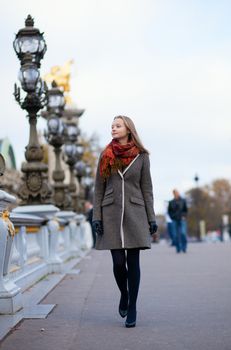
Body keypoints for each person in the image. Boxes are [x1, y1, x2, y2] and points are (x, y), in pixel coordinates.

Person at [92, 115, 158, 328]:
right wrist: (97, 217)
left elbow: (147, 188)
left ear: (128, 129)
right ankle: (124, 294)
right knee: (118, 263)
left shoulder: (142, 156)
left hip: (135, 213)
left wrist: (151, 217)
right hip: (111, 213)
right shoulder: (105, 155)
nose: (113, 128)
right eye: (112, 126)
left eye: (118, 125)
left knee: (134, 263)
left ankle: (132, 308)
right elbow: (98, 188)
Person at [168, 189, 188, 253]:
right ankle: (178, 248)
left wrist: (184, 216)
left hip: (182, 219)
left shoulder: (183, 201)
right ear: (173, 194)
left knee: (183, 233)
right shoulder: (171, 202)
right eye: (174, 193)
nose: (176, 194)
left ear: (178, 193)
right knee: (175, 235)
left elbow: (186, 210)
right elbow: (169, 211)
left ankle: (184, 247)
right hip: (174, 220)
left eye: (177, 193)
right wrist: (172, 217)